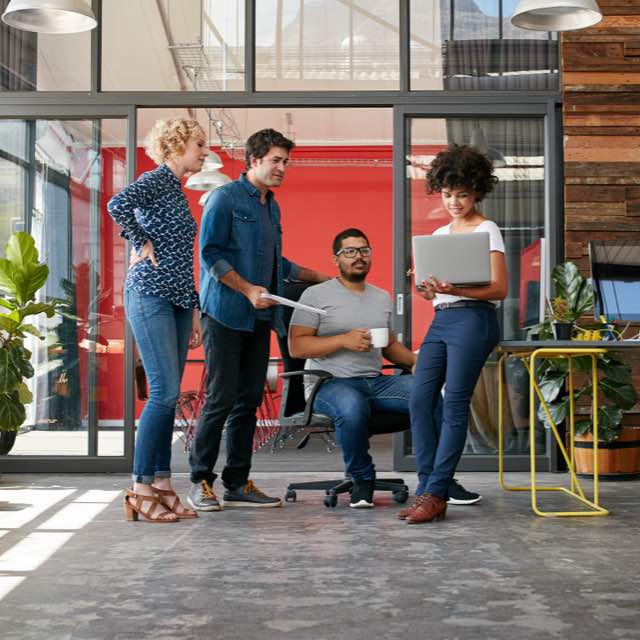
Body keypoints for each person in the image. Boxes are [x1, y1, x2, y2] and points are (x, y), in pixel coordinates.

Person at [187, 128, 329, 511]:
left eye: (286, 162)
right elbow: (211, 254)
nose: (283, 168)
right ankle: (200, 480)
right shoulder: (223, 198)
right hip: (225, 314)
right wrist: (248, 289)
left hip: (260, 320)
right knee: (220, 399)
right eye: (276, 161)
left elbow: (274, 264)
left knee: (248, 400)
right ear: (254, 161)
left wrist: (318, 277)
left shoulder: (271, 205)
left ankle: (236, 482)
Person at [288, 228, 480, 508]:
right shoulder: (315, 295)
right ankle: (362, 478)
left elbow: (388, 345)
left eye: (364, 250)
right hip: (328, 382)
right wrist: (344, 340)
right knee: (352, 406)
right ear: (336, 259)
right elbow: (297, 347)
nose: (359, 257)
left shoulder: (381, 297)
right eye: (350, 251)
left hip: (376, 382)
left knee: (426, 394)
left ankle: (438, 483)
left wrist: (416, 364)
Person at [401, 144, 508, 525]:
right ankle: (428, 486)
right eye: (447, 194)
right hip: (443, 317)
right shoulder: (440, 233)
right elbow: (434, 293)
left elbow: (499, 289)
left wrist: (456, 288)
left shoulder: (486, 229)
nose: (454, 202)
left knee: (455, 402)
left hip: (475, 319)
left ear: (476, 191)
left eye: (462, 194)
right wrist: (429, 289)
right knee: (419, 397)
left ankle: (435, 492)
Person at [108, 118, 205, 523]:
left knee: (169, 394)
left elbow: (184, 259)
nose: (204, 152)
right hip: (149, 293)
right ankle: (140, 487)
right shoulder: (157, 180)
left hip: (180, 299)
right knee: (164, 393)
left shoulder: (178, 192)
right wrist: (139, 240)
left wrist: (196, 308)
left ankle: (162, 483)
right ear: (176, 146)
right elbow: (117, 205)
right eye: (199, 144)